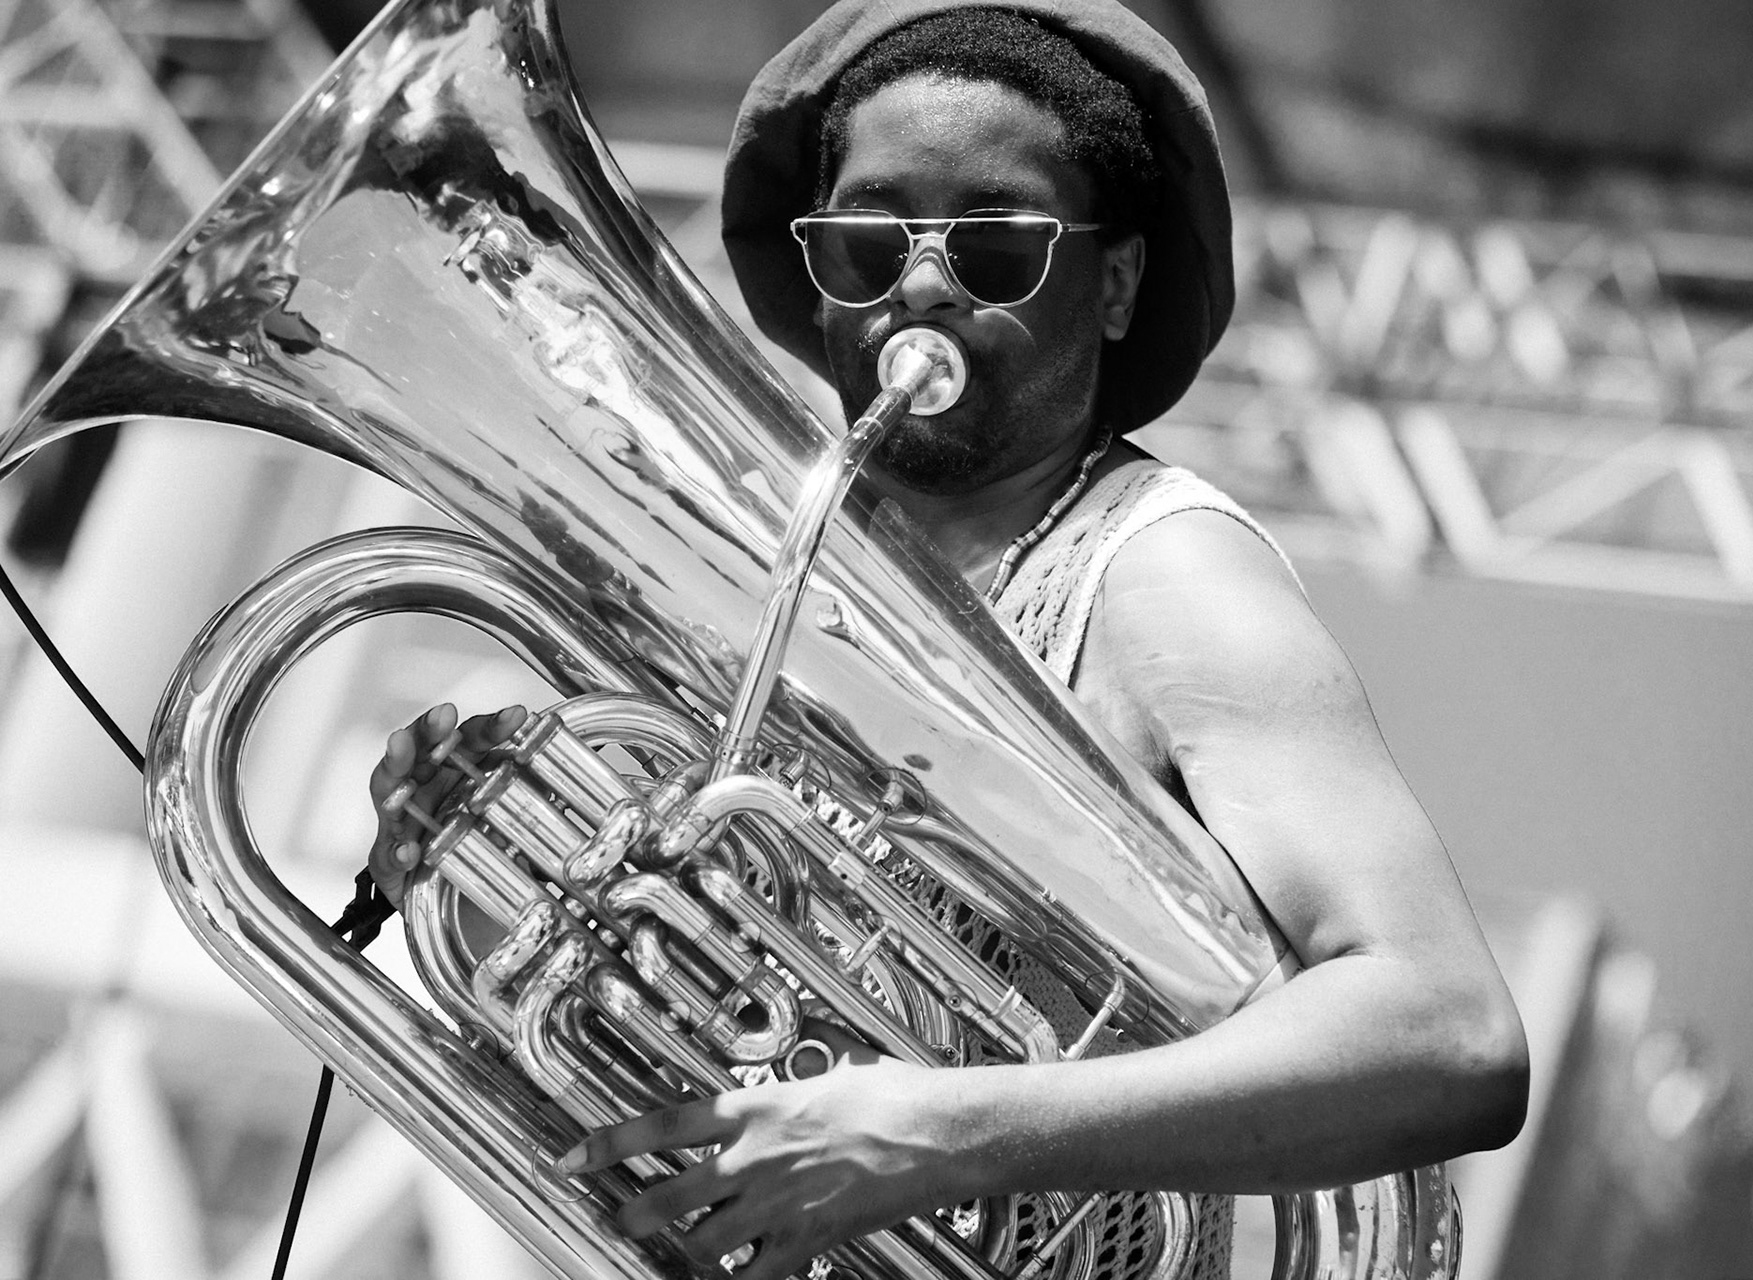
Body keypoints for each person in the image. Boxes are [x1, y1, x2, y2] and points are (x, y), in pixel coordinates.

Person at [368, 2, 1529, 1277]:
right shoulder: (775, 580)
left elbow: (1449, 1032)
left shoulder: (1160, 573)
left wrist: (948, 1134)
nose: (920, 281)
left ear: (1120, 282)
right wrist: (497, 882)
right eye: (866, 243)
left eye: (997, 243)